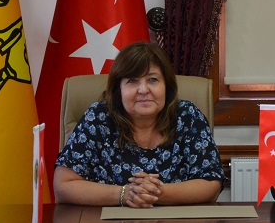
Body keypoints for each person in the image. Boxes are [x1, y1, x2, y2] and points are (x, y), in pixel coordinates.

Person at [54, 41, 224, 207]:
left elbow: (211, 184)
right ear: (118, 89)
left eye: (153, 80)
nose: (143, 90)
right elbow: (63, 185)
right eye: (132, 81)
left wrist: (157, 193)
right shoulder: (98, 117)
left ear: (167, 86)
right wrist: (124, 194)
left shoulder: (188, 116)